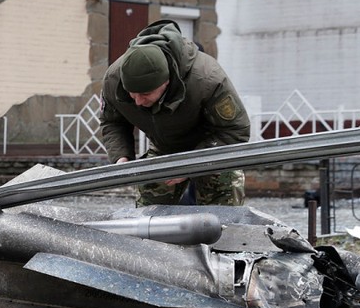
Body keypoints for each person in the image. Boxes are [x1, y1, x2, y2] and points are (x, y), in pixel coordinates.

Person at [100, 20, 251, 206]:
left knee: (223, 218)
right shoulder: (114, 79)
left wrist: (191, 165)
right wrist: (121, 157)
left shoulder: (208, 79)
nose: (138, 101)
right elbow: (112, 121)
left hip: (212, 150)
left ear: (166, 82)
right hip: (165, 148)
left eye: (145, 94)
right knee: (148, 217)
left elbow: (235, 130)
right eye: (132, 95)